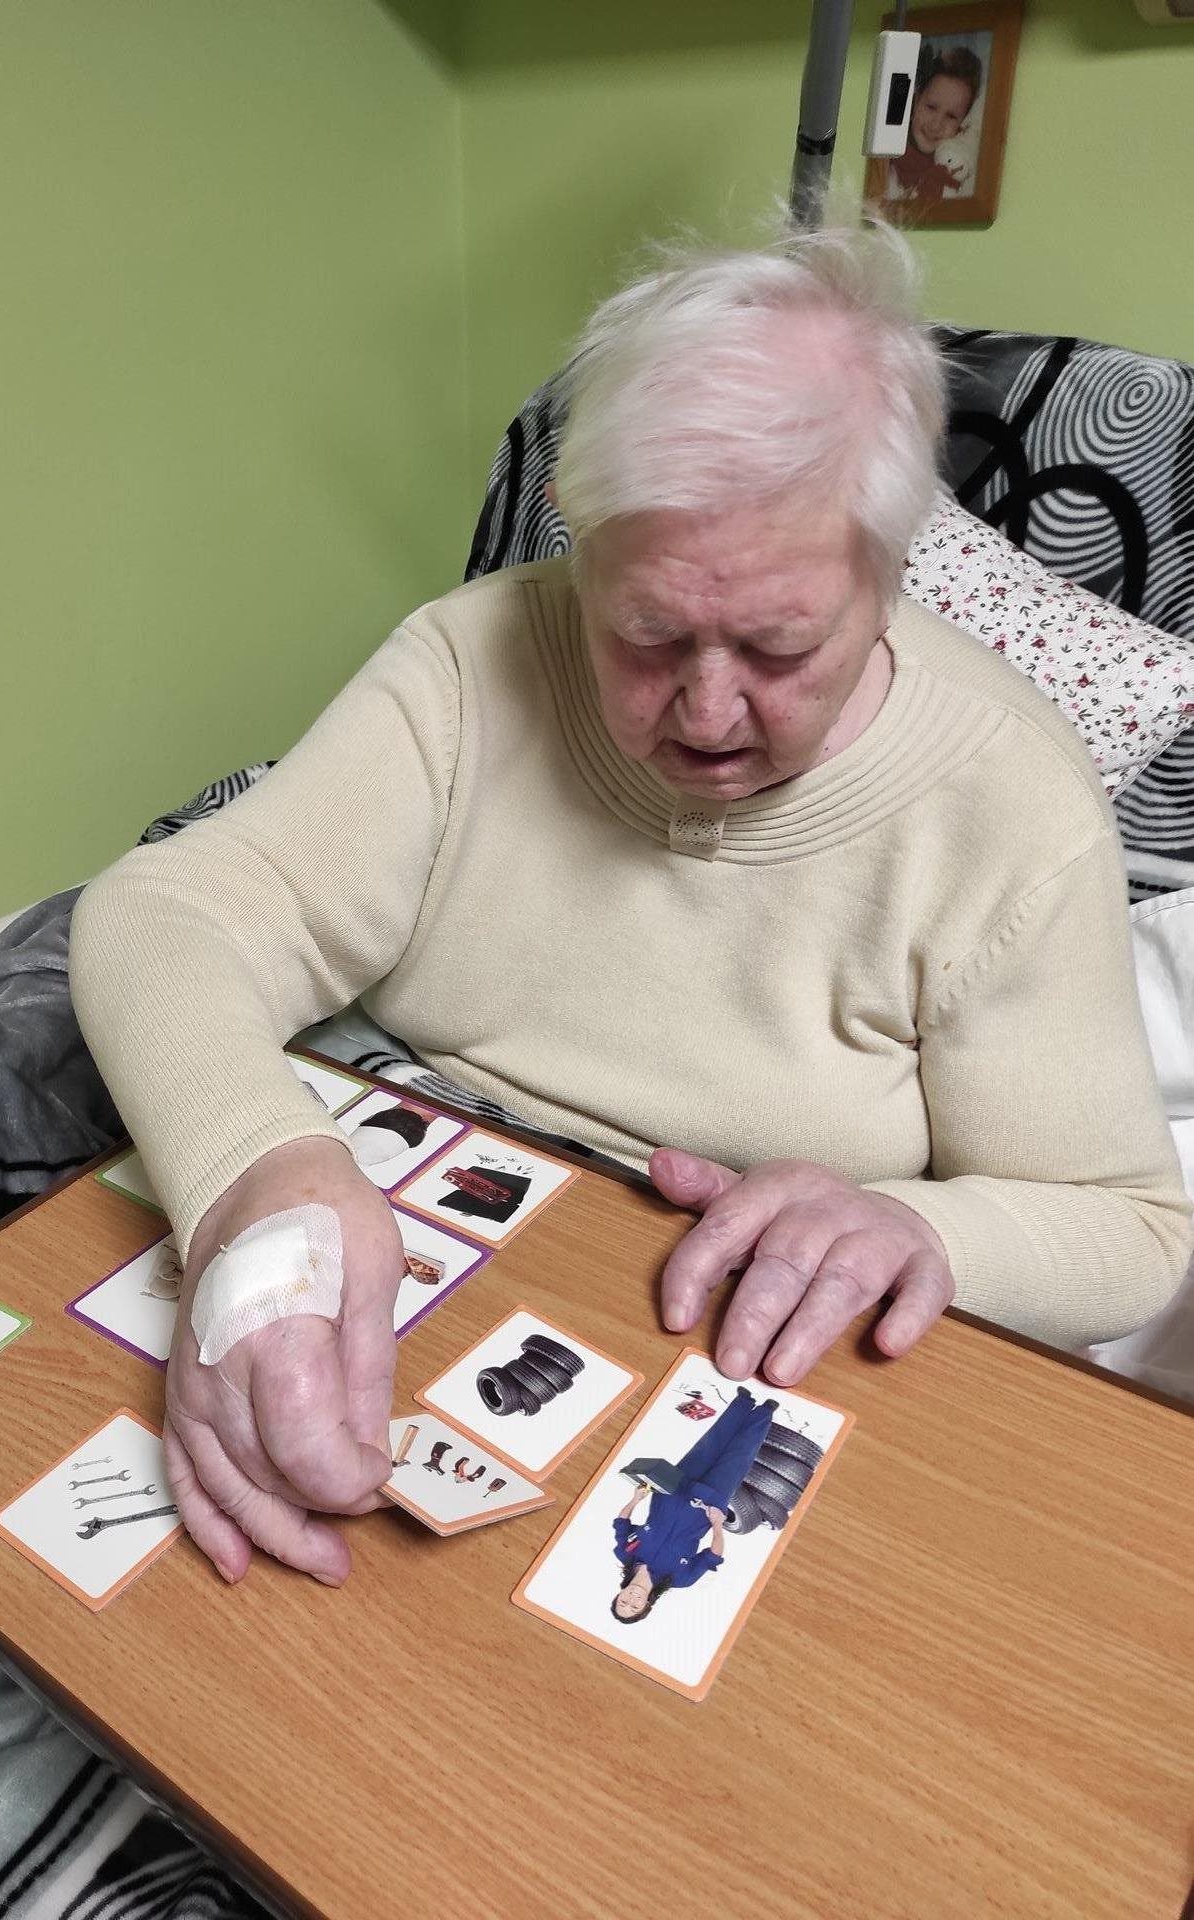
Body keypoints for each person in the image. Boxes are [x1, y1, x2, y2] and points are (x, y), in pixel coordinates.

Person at [69, 223, 1191, 1588]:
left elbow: (1131, 1233)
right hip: (414, 1212)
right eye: (647, 635)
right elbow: (165, 913)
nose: (707, 713)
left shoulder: (1011, 803)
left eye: (780, 646)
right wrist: (260, 1172)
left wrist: (921, 1227)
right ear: (578, 540)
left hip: (723, 1354)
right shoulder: (472, 658)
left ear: (893, 570)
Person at [611, 1386, 779, 1624]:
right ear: (647, 1605)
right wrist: (718, 1525)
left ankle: (742, 1403)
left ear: (618, 1595)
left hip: (671, 1489)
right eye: (635, 1607)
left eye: (623, 1602)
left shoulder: (624, 1553)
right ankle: (765, 1412)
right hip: (707, 1505)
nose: (631, 1600)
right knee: (739, 1457)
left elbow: (621, 1522)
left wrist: (636, 1499)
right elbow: (713, 1556)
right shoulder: (680, 1579)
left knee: (709, 1445)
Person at [887, 46, 983, 202]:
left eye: (951, 116)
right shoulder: (884, 157)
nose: (936, 125)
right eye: (931, 107)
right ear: (916, 100)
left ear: (963, 123)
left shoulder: (958, 172)